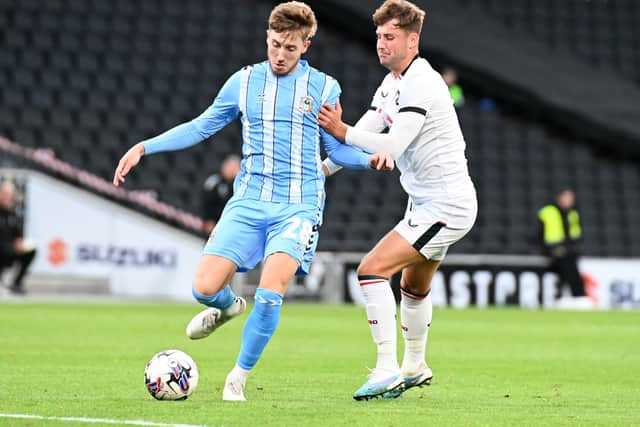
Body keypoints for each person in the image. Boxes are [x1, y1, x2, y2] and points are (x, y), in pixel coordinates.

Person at [113, 1, 393, 402]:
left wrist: (371, 160)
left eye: (290, 48)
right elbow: (201, 126)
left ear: (306, 46)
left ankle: (237, 377)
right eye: (276, 44)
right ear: (267, 36)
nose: (281, 55)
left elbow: (336, 148)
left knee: (271, 289)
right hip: (248, 201)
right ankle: (227, 308)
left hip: (299, 204)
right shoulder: (243, 83)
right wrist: (145, 147)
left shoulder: (324, 87)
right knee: (204, 288)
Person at [319, 0, 477, 400]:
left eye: (389, 37)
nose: (381, 44)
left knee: (371, 270)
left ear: (413, 40)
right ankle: (415, 365)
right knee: (413, 285)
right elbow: (366, 129)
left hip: (447, 204)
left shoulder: (422, 81)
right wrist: (321, 171)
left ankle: (387, 367)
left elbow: (391, 142)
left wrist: (342, 131)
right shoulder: (392, 83)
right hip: (426, 201)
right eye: (378, 37)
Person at [538, 189, 586, 300]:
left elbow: (575, 236)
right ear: (559, 198)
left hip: (567, 251)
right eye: (567, 198)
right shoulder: (548, 211)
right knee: (565, 260)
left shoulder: (573, 214)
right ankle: (577, 295)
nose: (569, 201)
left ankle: (573, 296)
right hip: (549, 249)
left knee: (569, 259)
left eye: (571, 199)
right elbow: (538, 234)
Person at [0, 181, 37, 295]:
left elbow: (18, 235)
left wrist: (20, 242)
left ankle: (16, 283)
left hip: (10, 249)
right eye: (5, 194)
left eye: (10, 195)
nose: (8, 198)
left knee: (30, 250)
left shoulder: (14, 214)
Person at [201, 154, 241, 234]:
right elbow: (206, 201)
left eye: (235, 168)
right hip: (213, 223)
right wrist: (209, 219)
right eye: (230, 166)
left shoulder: (238, 187)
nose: (231, 170)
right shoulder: (215, 180)